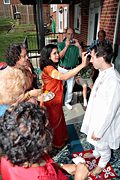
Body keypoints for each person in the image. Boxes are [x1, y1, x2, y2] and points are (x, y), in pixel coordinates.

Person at [0, 102, 77, 180]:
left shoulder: (7, 156)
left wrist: (61, 167)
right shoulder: (43, 177)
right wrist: (80, 177)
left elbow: (46, 164)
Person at [81, 44, 120, 176]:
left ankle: (103, 162)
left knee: (101, 142)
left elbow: (110, 110)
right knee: (96, 142)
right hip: (96, 115)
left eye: (92, 57)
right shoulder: (103, 72)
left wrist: (99, 131)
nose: (90, 60)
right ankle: (96, 152)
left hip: (104, 122)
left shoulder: (114, 80)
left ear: (102, 57)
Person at [40, 44, 87, 149]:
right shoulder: (49, 68)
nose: (57, 55)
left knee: (59, 120)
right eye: (54, 53)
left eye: (57, 52)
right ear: (48, 56)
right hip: (51, 101)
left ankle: (60, 140)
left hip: (55, 99)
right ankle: (56, 144)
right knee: (55, 123)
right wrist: (82, 65)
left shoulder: (51, 66)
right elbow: (63, 77)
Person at [0, 43, 41, 117]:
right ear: (16, 58)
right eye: (24, 56)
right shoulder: (10, 77)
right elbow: (13, 105)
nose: (27, 58)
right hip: (14, 116)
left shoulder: (21, 69)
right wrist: (30, 94)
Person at [58, 28, 82, 110]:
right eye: (68, 34)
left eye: (72, 34)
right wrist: (66, 46)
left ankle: (67, 102)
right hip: (62, 69)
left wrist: (79, 46)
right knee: (60, 87)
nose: (70, 36)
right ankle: (59, 102)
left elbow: (82, 56)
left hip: (72, 70)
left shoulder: (75, 45)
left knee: (70, 89)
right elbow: (59, 56)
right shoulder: (61, 44)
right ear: (65, 34)